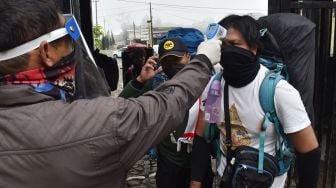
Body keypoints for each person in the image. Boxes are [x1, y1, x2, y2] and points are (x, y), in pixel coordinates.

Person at [0, 1, 222, 187]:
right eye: (68, 42)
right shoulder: (90, 123)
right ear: (46, 51)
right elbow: (162, 105)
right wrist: (202, 62)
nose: (72, 54)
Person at [190, 15, 320, 188]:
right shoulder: (215, 87)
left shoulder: (278, 91)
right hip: (227, 179)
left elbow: (309, 150)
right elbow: (201, 136)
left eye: (235, 45)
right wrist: (195, 183)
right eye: (224, 45)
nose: (227, 51)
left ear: (254, 48)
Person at [119, 37, 213, 188]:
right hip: (168, 163)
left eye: (177, 59)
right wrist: (140, 80)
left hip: (199, 163)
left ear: (188, 57)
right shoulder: (157, 84)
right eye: (167, 62)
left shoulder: (205, 82)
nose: (173, 66)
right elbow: (120, 109)